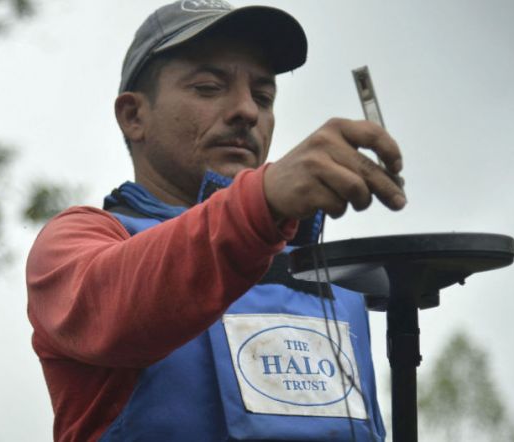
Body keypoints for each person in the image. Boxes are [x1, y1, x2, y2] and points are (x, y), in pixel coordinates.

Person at [26, 1, 406, 440]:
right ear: (134, 116)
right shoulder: (76, 243)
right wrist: (262, 202)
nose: (247, 110)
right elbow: (116, 308)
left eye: (263, 97)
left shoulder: (331, 275)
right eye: (208, 88)